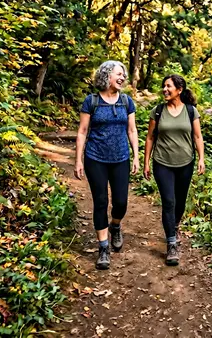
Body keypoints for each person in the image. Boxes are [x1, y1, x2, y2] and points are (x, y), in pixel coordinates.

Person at [75, 60, 139, 270]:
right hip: (96, 159)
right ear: (106, 76)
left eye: (123, 75)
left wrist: (136, 156)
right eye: (118, 74)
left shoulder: (127, 102)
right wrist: (78, 160)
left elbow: (131, 130)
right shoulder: (91, 101)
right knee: (100, 201)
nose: (122, 78)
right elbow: (83, 131)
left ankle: (116, 226)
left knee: (121, 202)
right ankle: (103, 248)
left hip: (120, 158)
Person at [143, 74, 205, 266]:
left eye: (168, 86)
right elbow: (150, 138)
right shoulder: (158, 111)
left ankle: (175, 225)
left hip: (186, 163)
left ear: (179, 90)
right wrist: (145, 162)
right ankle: (171, 244)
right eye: (163, 86)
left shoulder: (191, 111)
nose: (164, 89)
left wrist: (201, 158)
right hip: (162, 163)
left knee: (180, 202)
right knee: (168, 201)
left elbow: (197, 137)